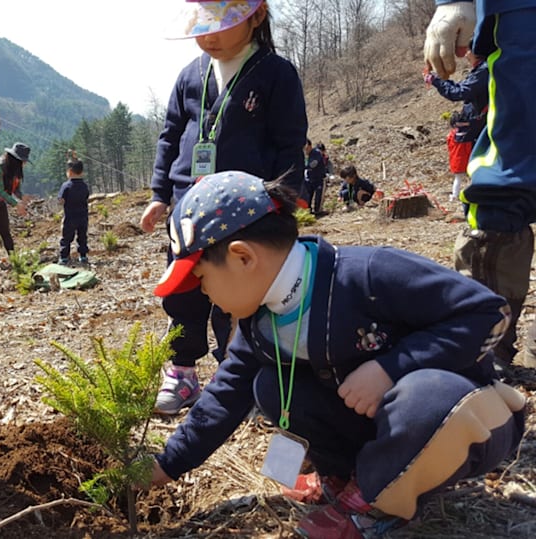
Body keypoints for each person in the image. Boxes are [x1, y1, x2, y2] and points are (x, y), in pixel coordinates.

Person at [149, 170, 525, 538]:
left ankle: (374, 507)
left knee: (422, 397)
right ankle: (349, 479)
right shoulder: (261, 322)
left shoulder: (369, 275)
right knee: (271, 386)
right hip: (380, 424)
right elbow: (225, 395)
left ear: (243, 257)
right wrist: (168, 464)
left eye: (201, 278)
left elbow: (487, 313)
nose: (202, 293)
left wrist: (391, 367)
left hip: (466, 417)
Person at [139, 0, 307, 414]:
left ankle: (236, 375)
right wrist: (161, 193)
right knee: (184, 290)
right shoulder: (189, 76)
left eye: (219, 25)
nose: (208, 36)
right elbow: (170, 136)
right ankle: (182, 372)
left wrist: (284, 201)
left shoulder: (276, 74)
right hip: (189, 207)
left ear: (258, 16)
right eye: (201, 26)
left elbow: (290, 142)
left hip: (246, 210)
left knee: (240, 295)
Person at [424, 0, 536, 369]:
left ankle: (483, 348)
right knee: (508, 181)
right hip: (522, 19)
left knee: (506, 180)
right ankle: (485, 345)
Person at [424, 51, 488, 201]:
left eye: (468, 51)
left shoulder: (483, 71)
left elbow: (458, 92)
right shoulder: (481, 71)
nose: (465, 54)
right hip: (476, 126)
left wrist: (435, 81)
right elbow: (460, 88)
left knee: (476, 164)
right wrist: (437, 80)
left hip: (478, 128)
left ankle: (476, 196)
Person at [57, 152, 90, 265]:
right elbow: (86, 197)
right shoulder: (84, 185)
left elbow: (61, 200)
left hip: (70, 217)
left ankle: (64, 257)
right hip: (83, 217)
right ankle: (83, 256)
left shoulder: (66, 186)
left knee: (66, 238)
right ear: (82, 172)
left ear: (69, 172)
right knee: (82, 237)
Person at [302, 139, 327, 215]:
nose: (305, 150)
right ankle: (308, 211)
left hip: (319, 179)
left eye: (306, 148)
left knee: (318, 196)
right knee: (308, 196)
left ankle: (318, 211)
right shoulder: (307, 155)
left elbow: (313, 164)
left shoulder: (316, 153)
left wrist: (303, 167)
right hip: (310, 179)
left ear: (309, 146)